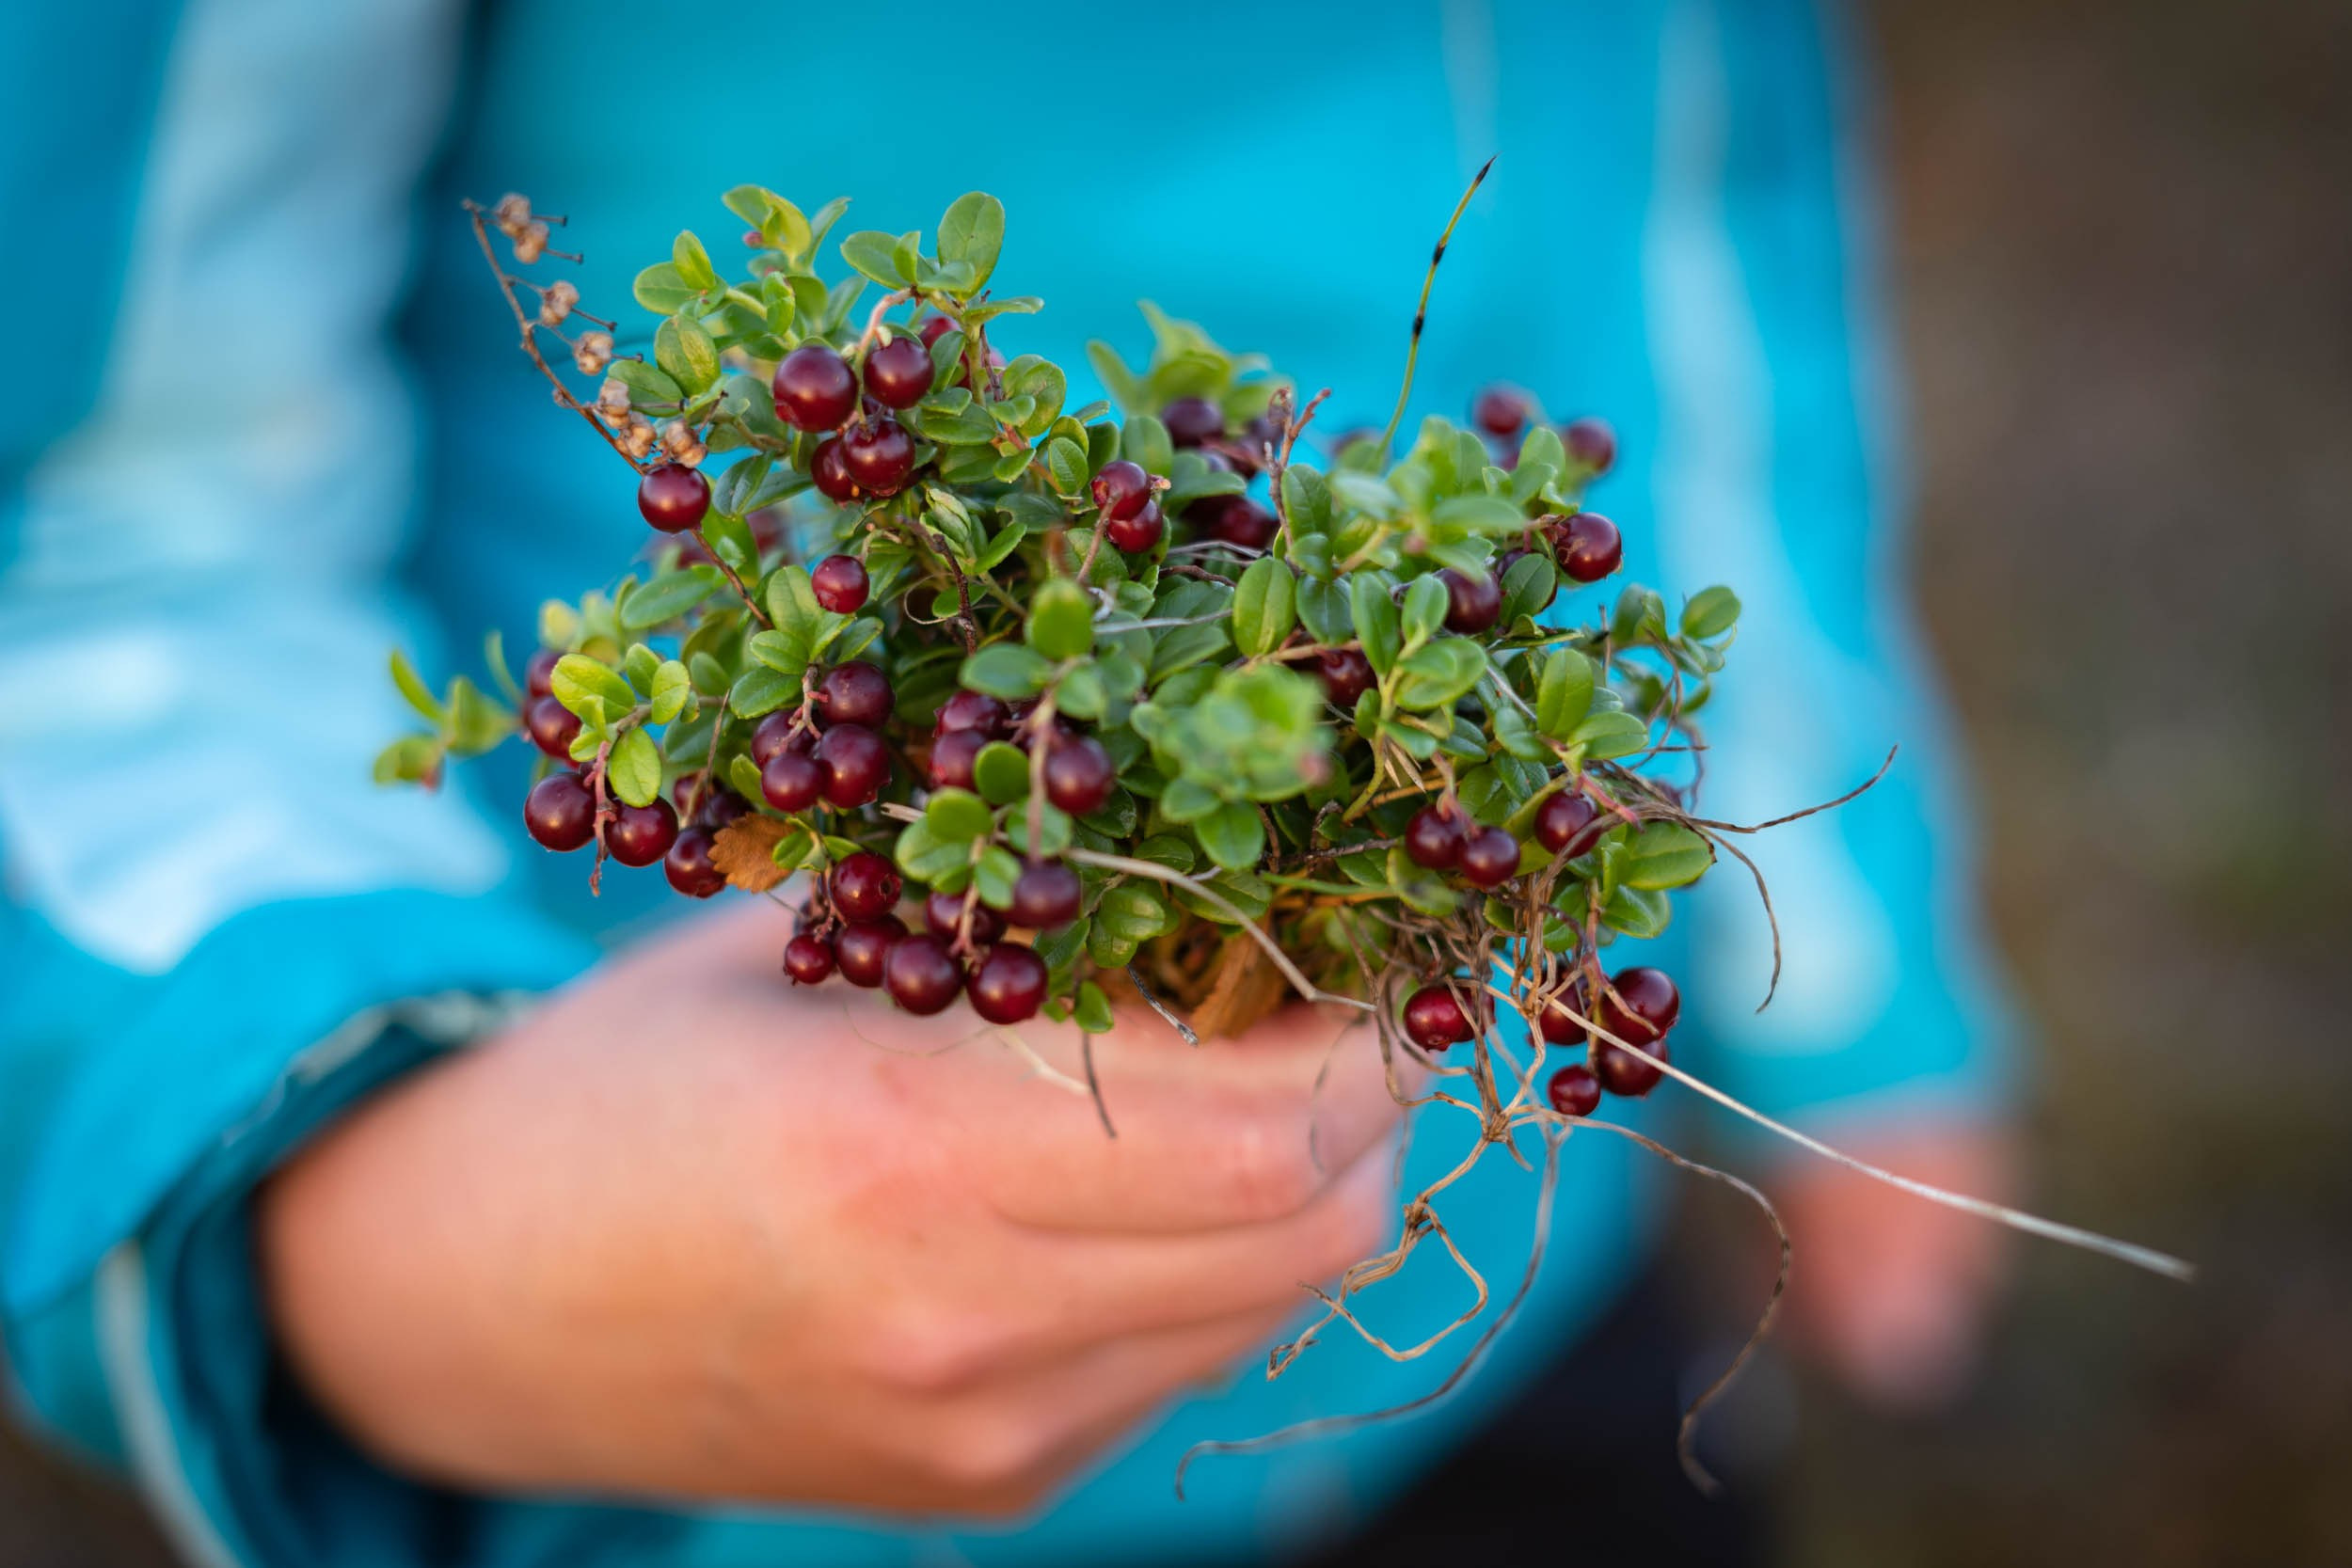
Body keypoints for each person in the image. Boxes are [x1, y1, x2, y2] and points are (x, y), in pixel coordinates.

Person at [0, 1, 2018, 1562]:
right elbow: (90, 535)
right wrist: (391, 1223)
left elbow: (1679, 192)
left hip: (1492, 1267)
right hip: (663, 1382)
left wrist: (1837, 985)